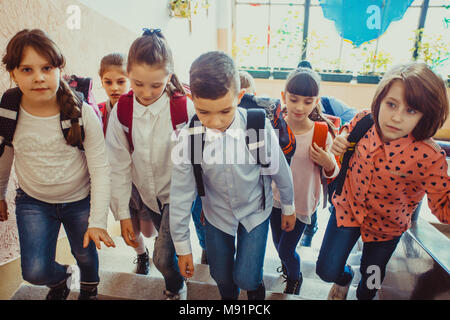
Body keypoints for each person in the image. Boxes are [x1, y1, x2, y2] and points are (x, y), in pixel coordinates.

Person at [316, 62, 449, 300]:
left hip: (385, 231)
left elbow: (442, 205)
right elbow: (349, 129)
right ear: (381, 99)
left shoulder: (430, 156)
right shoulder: (365, 120)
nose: (396, 117)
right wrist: (342, 138)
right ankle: (344, 279)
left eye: (410, 110)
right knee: (326, 269)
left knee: (370, 285)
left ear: (425, 114)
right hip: (347, 210)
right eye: (391, 104)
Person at [169, 51, 296, 300]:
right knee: (221, 276)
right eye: (204, 112)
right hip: (217, 215)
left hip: (255, 211)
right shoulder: (190, 137)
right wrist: (182, 247)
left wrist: (289, 206)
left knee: (247, 277)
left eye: (224, 111)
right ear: (191, 98)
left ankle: (255, 294)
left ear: (238, 97)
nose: (215, 122)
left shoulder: (257, 126)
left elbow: (279, 169)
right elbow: (181, 195)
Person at [0, 29, 115, 300]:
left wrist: (98, 221)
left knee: (85, 256)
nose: (39, 77)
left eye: (47, 67)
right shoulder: (8, 111)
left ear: (59, 69)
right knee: (34, 272)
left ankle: (89, 288)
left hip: (79, 201)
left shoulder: (81, 113)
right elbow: (4, 154)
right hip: (33, 201)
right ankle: (62, 278)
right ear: (13, 73)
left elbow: (100, 168)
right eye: (27, 69)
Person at [105, 28, 195, 300]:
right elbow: (117, 165)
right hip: (148, 195)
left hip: (178, 193)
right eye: (137, 83)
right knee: (165, 251)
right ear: (129, 73)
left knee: (163, 257)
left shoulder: (183, 109)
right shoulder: (122, 110)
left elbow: (199, 160)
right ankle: (175, 278)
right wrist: (122, 214)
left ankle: (175, 289)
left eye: (156, 85)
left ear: (169, 76)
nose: (146, 92)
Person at [271, 68, 339, 295]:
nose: (299, 107)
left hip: (301, 202)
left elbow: (333, 172)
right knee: (278, 245)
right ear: (283, 97)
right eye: (293, 99)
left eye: (307, 102)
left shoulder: (320, 133)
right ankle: (290, 269)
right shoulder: (274, 128)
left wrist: (328, 161)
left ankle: (294, 277)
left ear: (315, 102)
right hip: (275, 200)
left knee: (286, 250)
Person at [98, 53, 156, 275]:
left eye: (121, 81)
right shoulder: (99, 112)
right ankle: (142, 256)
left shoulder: (140, 108)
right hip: (119, 182)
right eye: (108, 82)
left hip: (144, 182)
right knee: (129, 231)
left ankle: (156, 245)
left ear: (131, 79)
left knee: (149, 230)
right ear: (101, 81)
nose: (114, 87)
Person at [297, 60, 358, 247]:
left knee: (325, 192)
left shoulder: (330, 104)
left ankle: (328, 219)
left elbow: (353, 117)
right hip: (302, 167)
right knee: (306, 191)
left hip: (329, 161)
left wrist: (341, 137)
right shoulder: (291, 108)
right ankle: (309, 227)